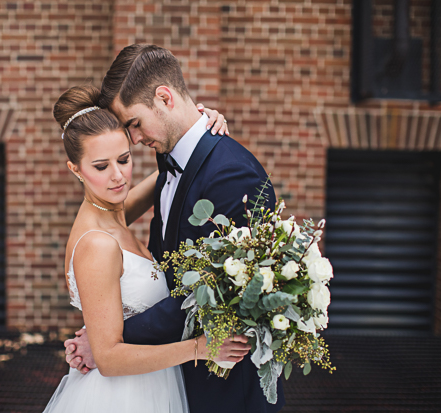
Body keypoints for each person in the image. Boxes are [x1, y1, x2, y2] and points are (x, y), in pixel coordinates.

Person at [64, 44, 285, 413]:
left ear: (164, 97)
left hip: (226, 390)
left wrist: (107, 341)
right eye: (103, 164)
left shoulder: (230, 175)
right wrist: (106, 342)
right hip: (165, 379)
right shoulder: (169, 156)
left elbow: (214, 294)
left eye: (133, 125)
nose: (134, 141)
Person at [42, 84, 249, 413]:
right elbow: (108, 358)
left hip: (151, 383)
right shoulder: (97, 243)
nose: (118, 177)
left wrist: (201, 126)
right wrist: (198, 348)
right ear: (75, 169)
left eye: (124, 159)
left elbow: (179, 169)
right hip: (119, 395)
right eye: (100, 166)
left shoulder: (115, 211)